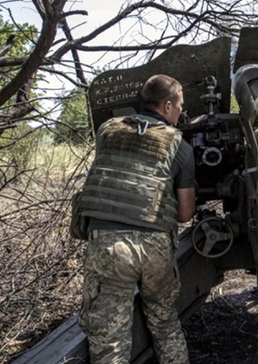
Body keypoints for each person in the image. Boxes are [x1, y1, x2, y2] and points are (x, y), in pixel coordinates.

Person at [76, 74, 196, 364]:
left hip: (108, 246)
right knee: (165, 324)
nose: (181, 113)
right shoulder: (181, 147)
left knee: (109, 338)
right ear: (167, 106)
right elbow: (185, 213)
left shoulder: (107, 130)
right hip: (155, 248)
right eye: (180, 106)